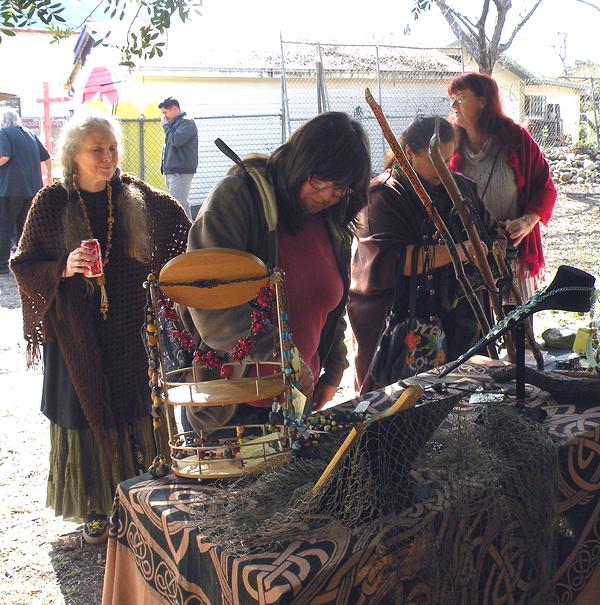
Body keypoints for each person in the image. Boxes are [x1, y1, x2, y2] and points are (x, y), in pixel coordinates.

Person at [11, 114, 190, 543]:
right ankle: (93, 505)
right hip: (76, 336)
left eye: (112, 148)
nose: (108, 157)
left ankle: (141, 497)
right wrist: (62, 268)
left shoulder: (135, 195)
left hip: (128, 328)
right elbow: (23, 264)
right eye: (97, 149)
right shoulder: (51, 203)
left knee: (134, 407)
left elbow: (183, 231)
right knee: (83, 414)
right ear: (73, 155)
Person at [184, 111, 371, 430]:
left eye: (340, 189)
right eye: (319, 181)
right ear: (299, 160)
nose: (327, 195)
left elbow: (330, 307)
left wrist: (334, 367)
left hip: (295, 400)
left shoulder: (332, 223)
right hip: (232, 409)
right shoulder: (239, 199)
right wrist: (285, 358)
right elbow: (208, 299)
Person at [348, 116, 505, 394]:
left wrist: (494, 254)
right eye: (436, 160)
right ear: (408, 153)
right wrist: (463, 251)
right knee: (398, 405)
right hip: (399, 327)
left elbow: (494, 235)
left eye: (448, 159)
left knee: (463, 397)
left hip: (461, 319)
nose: (444, 168)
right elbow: (393, 260)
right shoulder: (381, 196)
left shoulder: (462, 189)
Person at [447, 72, 557, 300]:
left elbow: (545, 187)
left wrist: (527, 222)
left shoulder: (516, 138)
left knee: (517, 326)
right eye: (452, 98)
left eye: (460, 97)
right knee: (476, 328)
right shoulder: (450, 144)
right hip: (472, 253)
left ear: (483, 101)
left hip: (512, 251)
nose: (453, 104)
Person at [0, 109, 52, 274]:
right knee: (26, 226)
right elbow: (47, 157)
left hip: (10, 189)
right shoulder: (30, 134)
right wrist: (49, 175)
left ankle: (2, 265)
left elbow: (4, 157)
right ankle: (26, 261)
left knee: (4, 226)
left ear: (3, 121)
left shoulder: (3, 133)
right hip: (33, 189)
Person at [158, 97, 198, 218]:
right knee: (183, 205)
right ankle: (190, 233)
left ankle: (180, 234)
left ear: (174, 108)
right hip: (173, 171)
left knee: (176, 205)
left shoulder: (187, 122)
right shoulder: (174, 124)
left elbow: (176, 140)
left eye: (165, 112)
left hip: (181, 171)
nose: (164, 117)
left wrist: (166, 126)